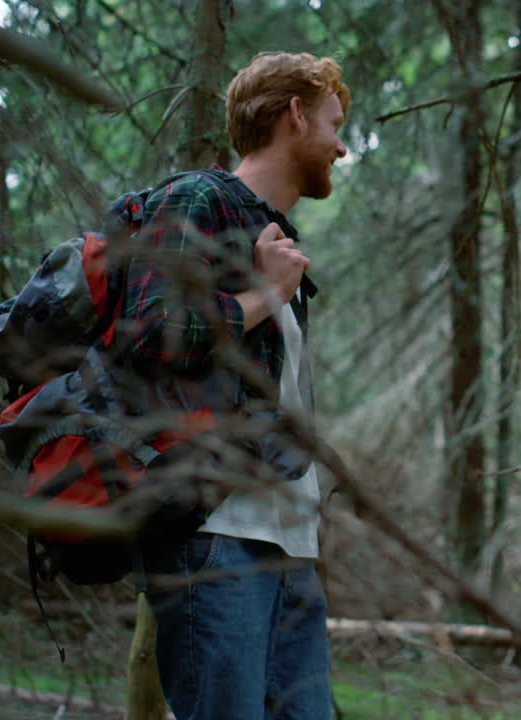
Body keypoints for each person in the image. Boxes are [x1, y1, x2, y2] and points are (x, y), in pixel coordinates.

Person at [117, 51, 350, 720]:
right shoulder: (198, 199)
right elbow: (149, 335)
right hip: (216, 537)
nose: (340, 145)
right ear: (295, 115)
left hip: (288, 547)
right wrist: (263, 295)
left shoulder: (278, 235)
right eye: (333, 123)